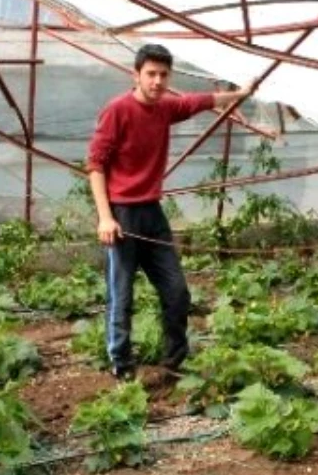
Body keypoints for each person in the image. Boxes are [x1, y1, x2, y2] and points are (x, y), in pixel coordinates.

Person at [86, 43, 254, 382]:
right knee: (122, 294)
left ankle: (172, 361)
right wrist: (105, 217)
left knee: (176, 291)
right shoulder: (117, 110)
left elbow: (198, 102)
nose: (157, 82)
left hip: (152, 213)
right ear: (136, 75)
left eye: (164, 75)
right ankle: (122, 365)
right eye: (151, 74)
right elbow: (95, 165)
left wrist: (240, 93)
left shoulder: (164, 109)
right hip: (122, 214)